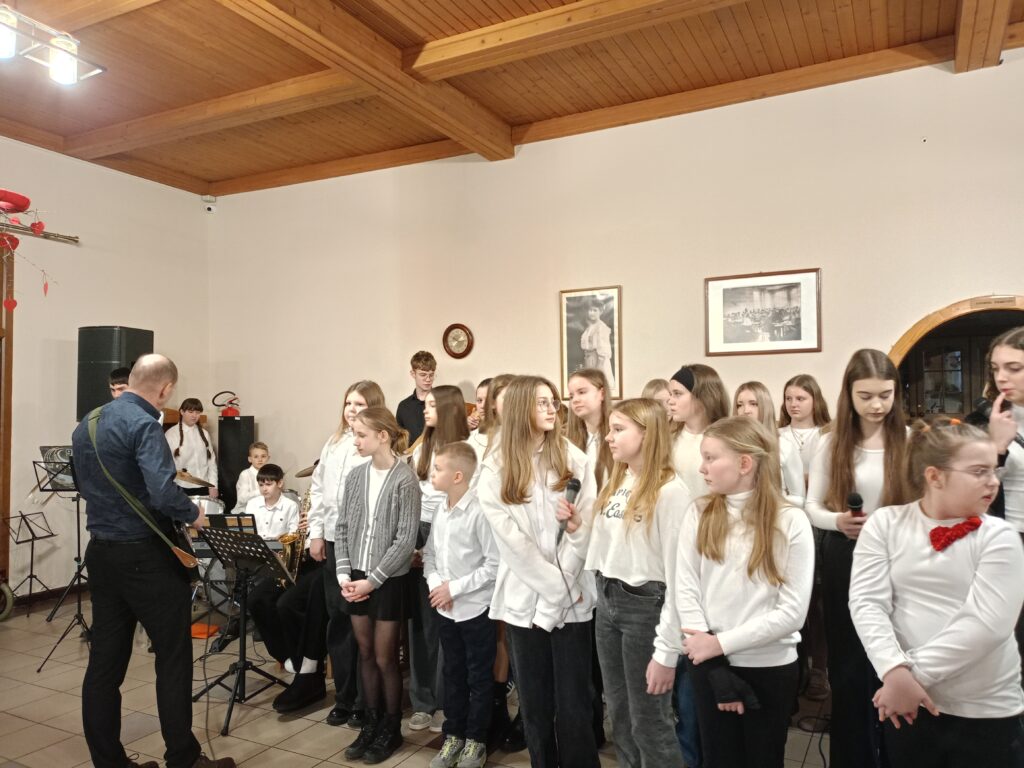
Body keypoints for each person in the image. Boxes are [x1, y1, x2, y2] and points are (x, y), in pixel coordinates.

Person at [71, 353, 234, 768]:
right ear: (165, 389)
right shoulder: (144, 424)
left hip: (101, 552)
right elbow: (163, 493)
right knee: (173, 657)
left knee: (104, 664)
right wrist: (195, 514)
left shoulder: (88, 422)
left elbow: (84, 484)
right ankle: (183, 758)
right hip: (145, 554)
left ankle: (110, 762)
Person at [849, 418, 1024, 767]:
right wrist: (892, 668)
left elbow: (987, 624)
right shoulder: (886, 523)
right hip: (908, 704)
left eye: (993, 470)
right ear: (935, 476)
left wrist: (909, 678)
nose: (993, 481)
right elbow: (867, 602)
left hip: (982, 708)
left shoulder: (999, 535)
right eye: (979, 471)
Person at [676, 417, 814, 768]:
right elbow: (685, 589)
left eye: (711, 458)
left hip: (768, 665)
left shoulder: (791, 521)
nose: (702, 468)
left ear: (744, 463)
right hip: (708, 664)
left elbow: (792, 613)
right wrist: (714, 663)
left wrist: (719, 644)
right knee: (718, 758)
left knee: (763, 758)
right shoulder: (699, 512)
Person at [478, 375, 600, 768]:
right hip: (525, 600)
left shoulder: (574, 458)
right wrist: (557, 590)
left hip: (572, 600)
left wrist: (561, 592)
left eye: (553, 402)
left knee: (575, 704)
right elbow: (513, 546)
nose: (552, 409)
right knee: (535, 705)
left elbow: (586, 526)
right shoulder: (495, 468)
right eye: (542, 402)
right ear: (519, 410)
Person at [805, 349, 911, 768]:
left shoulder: (910, 439)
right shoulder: (831, 442)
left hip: (899, 555)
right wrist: (837, 521)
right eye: (865, 396)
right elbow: (811, 506)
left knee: (896, 655)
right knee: (850, 666)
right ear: (848, 394)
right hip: (846, 555)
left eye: (885, 395)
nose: (877, 405)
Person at [571, 397, 691, 768]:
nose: (608, 437)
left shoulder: (671, 491)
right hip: (608, 598)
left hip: (645, 605)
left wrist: (668, 647)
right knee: (620, 713)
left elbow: (679, 575)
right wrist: (577, 527)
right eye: (610, 429)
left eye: (618, 429)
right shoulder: (619, 477)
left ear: (647, 434)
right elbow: (608, 544)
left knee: (649, 720)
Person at [336, 407, 421, 764]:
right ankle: (370, 724)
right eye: (354, 434)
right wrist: (344, 575)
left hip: (386, 580)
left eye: (361, 435)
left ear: (383, 436)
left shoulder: (405, 479)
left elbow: (405, 540)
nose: (355, 441)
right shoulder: (356, 475)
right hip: (355, 576)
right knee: (366, 652)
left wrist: (371, 582)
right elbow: (343, 526)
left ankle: (391, 727)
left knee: (387, 658)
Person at [307, 380, 385, 727]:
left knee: (363, 623)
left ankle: (366, 701)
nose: (352, 410)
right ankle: (344, 696)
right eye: (349, 403)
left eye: (360, 404)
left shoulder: (375, 445)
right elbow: (319, 491)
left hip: (364, 545)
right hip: (334, 541)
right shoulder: (334, 442)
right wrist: (316, 534)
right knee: (338, 621)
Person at [666, 363, 729, 768]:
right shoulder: (668, 440)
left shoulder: (722, 438)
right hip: (669, 561)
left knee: (700, 668)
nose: (669, 401)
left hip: (710, 559)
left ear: (701, 396)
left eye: (677, 393)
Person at [424, 442, 500, 768]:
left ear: (458, 476)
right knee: (452, 674)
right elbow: (430, 554)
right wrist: (436, 585)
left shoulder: (480, 512)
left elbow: (493, 565)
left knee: (478, 678)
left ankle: (476, 741)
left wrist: (453, 588)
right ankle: (453, 735)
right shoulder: (440, 509)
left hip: (474, 609)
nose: (432, 473)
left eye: (438, 468)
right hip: (446, 609)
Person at [408, 384, 471, 732]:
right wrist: (413, 543)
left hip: (450, 531)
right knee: (422, 627)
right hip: (419, 530)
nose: (425, 410)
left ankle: (447, 701)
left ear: (448, 409)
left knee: (447, 620)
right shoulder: (422, 446)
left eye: (432, 405)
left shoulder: (465, 449)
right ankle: (422, 701)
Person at [243, 463, 328, 712]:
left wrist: (317, 527)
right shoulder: (311, 498)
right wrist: (305, 529)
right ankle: (288, 656)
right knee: (257, 599)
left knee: (287, 604)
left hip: (326, 562)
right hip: (301, 560)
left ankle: (308, 672)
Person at [733, 381, 805, 508]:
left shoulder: (784, 447)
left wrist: (770, 500)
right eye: (740, 405)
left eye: (753, 404)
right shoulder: (728, 446)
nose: (745, 411)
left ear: (765, 407)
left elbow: (799, 498)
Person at [777, 374, 831, 484]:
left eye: (800, 399)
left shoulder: (827, 435)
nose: (793, 404)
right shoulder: (776, 435)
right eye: (788, 399)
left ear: (815, 401)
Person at [166, 397, 218, 499]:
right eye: (190, 412)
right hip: (181, 488)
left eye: (197, 412)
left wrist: (213, 486)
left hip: (204, 487)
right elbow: (166, 465)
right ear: (182, 412)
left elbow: (211, 462)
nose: (194, 416)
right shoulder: (171, 434)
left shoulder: (204, 434)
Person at [396, 350, 437, 444]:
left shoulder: (443, 401)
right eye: (423, 375)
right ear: (413, 374)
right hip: (411, 453)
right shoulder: (403, 406)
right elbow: (399, 441)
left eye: (431, 375)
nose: (428, 379)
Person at [579, 302, 616, 391]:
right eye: (590, 310)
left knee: (599, 386)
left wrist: (598, 368)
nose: (592, 313)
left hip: (599, 361)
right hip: (590, 360)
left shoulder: (602, 328)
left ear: (601, 311)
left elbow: (603, 350)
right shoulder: (590, 327)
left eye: (595, 310)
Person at [232, 441, 269, 512]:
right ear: (250, 459)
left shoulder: (270, 475)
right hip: (244, 512)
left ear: (268, 458)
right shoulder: (245, 474)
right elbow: (241, 499)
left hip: (262, 512)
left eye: (263, 456)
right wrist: (260, 491)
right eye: (256, 457)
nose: (260, 460)